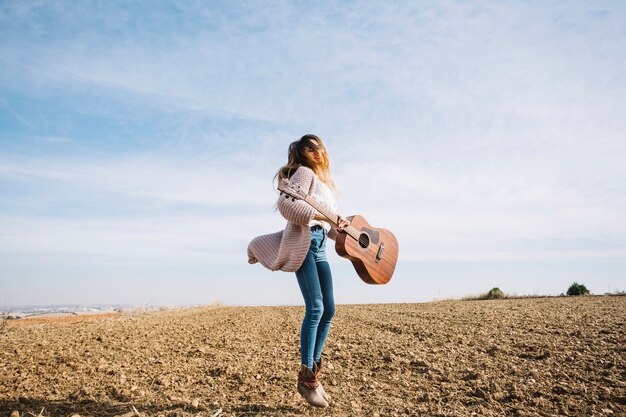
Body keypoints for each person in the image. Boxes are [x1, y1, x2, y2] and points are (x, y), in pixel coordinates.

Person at [248, 134, 350, 408]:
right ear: (303, 151)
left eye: (317, 144)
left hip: (320, 245)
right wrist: (319, 216)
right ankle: (306, 380)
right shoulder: (303, 173)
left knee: (329, 309)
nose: (315, 149)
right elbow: (288, 205)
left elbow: (325, 224)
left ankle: (314, 374)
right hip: (305, 243)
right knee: (315, 308)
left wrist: (338, 228)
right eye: (309, 145)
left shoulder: (325, 183)